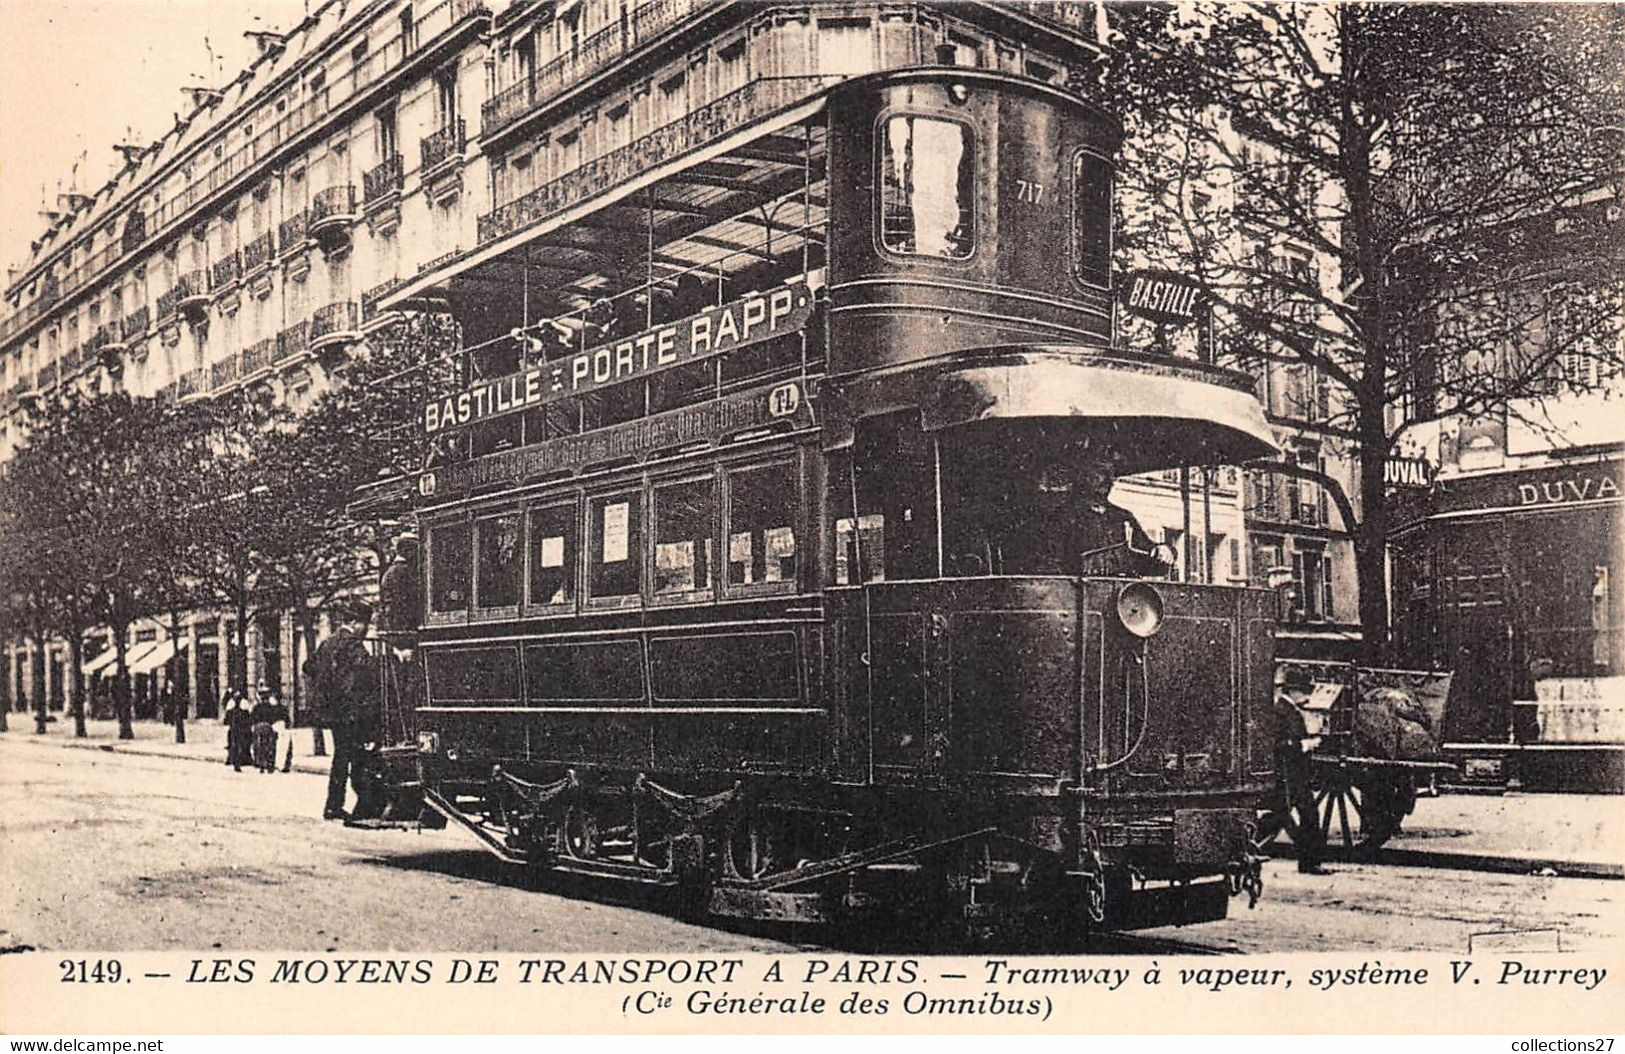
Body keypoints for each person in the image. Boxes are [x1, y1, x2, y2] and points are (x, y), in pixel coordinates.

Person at [307, 601, 380, 820]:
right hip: (348, 712)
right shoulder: (351, 643)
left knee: (341, 757)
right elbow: (368, 667)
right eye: (365, 624)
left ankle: (334, 805)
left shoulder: (328, 642)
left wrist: (324, 686)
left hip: (331, 711)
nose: (366, 629)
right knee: (355, 756)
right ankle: (359, 803)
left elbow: (308, 666)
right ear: (354, 622)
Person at [1269, 666, 1329, 875]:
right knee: (1306, 815)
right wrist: (1306, 745)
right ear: (1293, 691)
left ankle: (1309, 860)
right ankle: (1309, 862)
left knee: (1288, 816)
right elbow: (1278, 745)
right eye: (1305, 691)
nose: (1307, 696)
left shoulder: (1289, 709)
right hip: (1288, 773)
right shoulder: (1282, 710)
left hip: (1294, 775)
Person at [249, 681, 289, 774]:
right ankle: (269, 764)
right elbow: (274, 717)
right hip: (268, 727)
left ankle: (261, 764)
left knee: (259, 746)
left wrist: (253, 726)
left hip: (259, 727)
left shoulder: (257, 707)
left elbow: (253, 717)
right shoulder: (271, 707)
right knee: (269, 746)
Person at [222, 690, 253, 772]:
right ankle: (239, 761)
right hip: (240, 728)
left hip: (236, 728)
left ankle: (236, 761)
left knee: (235, 744)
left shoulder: (231, 704)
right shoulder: (243, 704)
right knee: (239, 744)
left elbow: (227, 718)